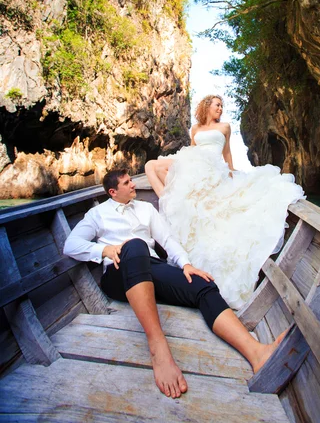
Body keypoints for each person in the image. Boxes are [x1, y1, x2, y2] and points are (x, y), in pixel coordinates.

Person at [63, 168, 287, 400]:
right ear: (113, 191)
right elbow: (71, 245)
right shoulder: (97, 214)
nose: (133, 185)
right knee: (135, 245)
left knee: (203, 285)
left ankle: (257, 353)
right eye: (127, 183)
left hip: (150, 268)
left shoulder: (146, 209)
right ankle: (158, 348)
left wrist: (186, 264)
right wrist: (104, 250)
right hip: (118, 273)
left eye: (132, 181)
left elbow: (168, 240)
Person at [145, 95, 305, 310]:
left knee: (159, 168)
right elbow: (191, 151)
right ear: (207, 107)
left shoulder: (225, 127)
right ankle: (169, 199)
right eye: (217, 105)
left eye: (221, 106)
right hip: (194, 163)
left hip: (212, 167)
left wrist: (231, 172)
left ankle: (172, 199)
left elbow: (227, 153)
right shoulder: (195, 129)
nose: (220, 108)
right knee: (151, 166)